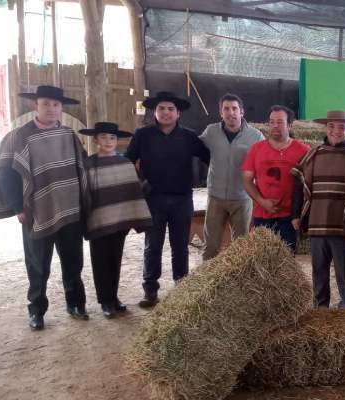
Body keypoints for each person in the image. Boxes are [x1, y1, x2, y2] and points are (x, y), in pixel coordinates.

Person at [0, 85, 89, 330]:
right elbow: (5, 173)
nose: (51, 109)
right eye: (46, 103)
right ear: (35, 105)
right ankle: (36, 310)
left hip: (69, 209)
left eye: (56, 105)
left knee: (73, 260)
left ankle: (75, 304)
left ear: (61, 108)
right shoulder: (19, 136)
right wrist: (17, 207)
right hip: (36, 211)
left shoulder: (69, 135)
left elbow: (83, 167)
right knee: (37, 264)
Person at [125, 91, 210, 308]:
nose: (166, 112)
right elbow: (126, 163)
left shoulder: (190, 137)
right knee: (152, 246)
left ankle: (181, 288)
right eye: (161, 108)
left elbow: (210, 157)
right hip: (153, 199)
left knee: (180, 246)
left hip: (182, 199)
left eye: (170, 109)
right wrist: (138, 187)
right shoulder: (142, 135)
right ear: (155, 111)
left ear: (178, 113)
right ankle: (150, 290)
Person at [291, 110, 345, 309]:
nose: (336, 131)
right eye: (332, 126)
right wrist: (296, 214)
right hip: (317, 224)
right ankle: (321, 308)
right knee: (318, 270)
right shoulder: (314, 153)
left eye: (341, 127)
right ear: (326, 128)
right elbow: (298, 184)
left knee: (344, 271)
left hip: (344, 224)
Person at [80, 122, 152, 318]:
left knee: (115, 259)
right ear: (95, 140)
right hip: (99, 221)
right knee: (100, 260)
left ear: (117, 140)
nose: (108, 141)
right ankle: (105, 301)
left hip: (120, 221)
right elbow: (84, 194)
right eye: (103, 137)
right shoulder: (88, 164)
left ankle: (114, 297)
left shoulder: (124, 163)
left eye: (112, 138)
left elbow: (132, 189)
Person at [199, 93, 263, 260]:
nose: (230, 112)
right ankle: (207, 282)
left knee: (241, 247)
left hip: (242, 199)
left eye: (234, 108)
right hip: (216, 198)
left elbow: (264, 163)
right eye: (226, 109)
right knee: (211, 247)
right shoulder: (211, 132)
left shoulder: (256, 136)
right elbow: (195, 149)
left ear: (242, 112)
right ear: (221, 113)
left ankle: (238, 284)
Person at [242, 105, 310, 251]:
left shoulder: (304, 150)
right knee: (261, 259)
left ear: (290, 125)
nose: (275, 126)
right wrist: (262, 202)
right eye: (272, 122)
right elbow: (247, 180)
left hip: (290, 217)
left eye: (280, 122)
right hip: (262, 214)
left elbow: (310, 184)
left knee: (286, 262)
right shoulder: (256, 149)